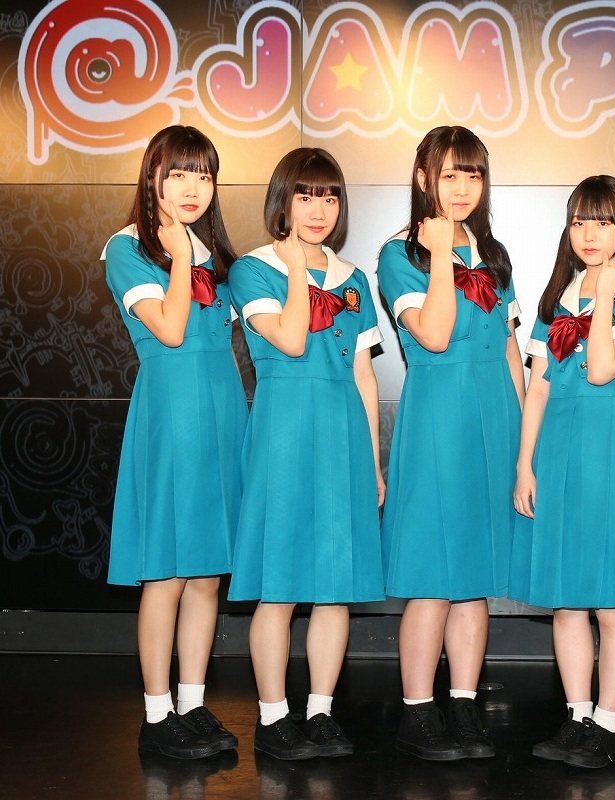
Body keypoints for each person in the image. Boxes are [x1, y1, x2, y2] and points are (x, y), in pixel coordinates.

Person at [227, 148, 385, 760]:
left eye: (329, 196)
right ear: (282, 200)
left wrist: (372, 460)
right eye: (305, 196)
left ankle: (321, 711)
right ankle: (272, 717)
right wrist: (297, 270)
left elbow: (365, 375)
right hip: (283, 433)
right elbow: (292, 341)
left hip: (343, 435)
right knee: (280, 586)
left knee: (334, 587)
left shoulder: (353, 279)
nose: (318, 210)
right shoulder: (252, 270)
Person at [377, 126, 524, 761]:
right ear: (423, 179)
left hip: (495, 415)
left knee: (473, 575)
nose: (462, 188)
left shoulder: (494, 254)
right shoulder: (398, 254)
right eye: (449, 174)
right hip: (438, 416)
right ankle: (417, 711)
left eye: (473, 174)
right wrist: (440, 254)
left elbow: (511, 349)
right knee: (432, 574)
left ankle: (463, 706)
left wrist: (525, 442)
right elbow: (434, 335)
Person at [511, 175, 615, 769]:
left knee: (611, 601)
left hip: (612, 451)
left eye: (603, 222)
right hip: (559, 450)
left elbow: (600, 369)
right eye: (579, 222)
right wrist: (525, 464)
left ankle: (607, 724)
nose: (590, 234)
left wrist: (603, 296)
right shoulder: (556, 302)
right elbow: (539, 389)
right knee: (567, 600)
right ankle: (577, 717)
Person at [103, 125, 246, 759]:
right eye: (179, 174)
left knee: (207, 574)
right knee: (165, 573)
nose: (192, 187)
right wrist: (183, 257)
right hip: (171, 414)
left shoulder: (218, 255)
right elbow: (167, 328)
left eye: (203, 175)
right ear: (153, 178)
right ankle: (156, 714)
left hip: (222, 412)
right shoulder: (126, 247)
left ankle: (192, 703)